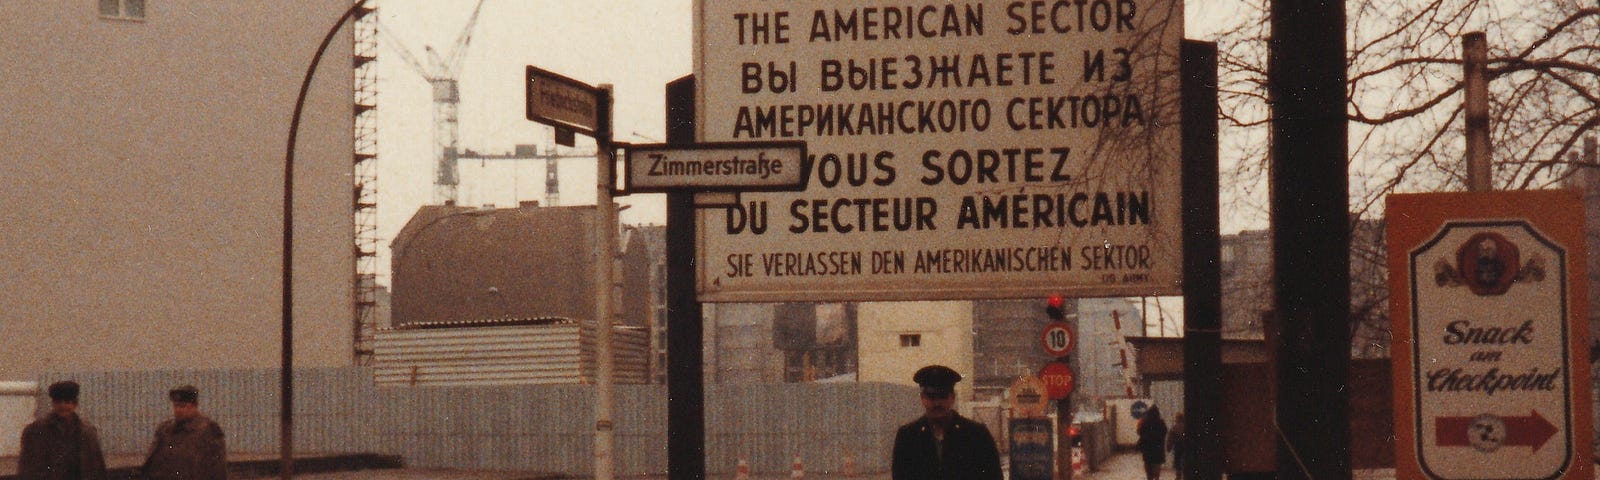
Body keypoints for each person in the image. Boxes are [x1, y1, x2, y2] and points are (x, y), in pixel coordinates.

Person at [891, 365, 1001, 480]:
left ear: (952, 397)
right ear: (922, 398)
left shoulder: (976, 434)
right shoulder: (908, 436)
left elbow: (994, 476)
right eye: (931, 397)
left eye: (943, 396)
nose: (937, 403)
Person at [17, 381, 108, 480]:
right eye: (59, 402)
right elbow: (27, 468)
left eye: (67, 402)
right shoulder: (35, 431)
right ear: (53, 404)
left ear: (75, 404)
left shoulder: (87, 432)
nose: (63, 406)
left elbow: (97, 468)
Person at [142, 385, 227, 480]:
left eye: (183, 406)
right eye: (176, 406)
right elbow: (150, 463)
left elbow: (218, 469)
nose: (178, 410)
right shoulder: (164, 430)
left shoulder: (208, 430)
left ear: (195, 406)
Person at [1136, 405, 1169, 480]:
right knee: (1157, 468)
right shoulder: (1161, 422)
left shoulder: (1145, 422)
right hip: (1158, 449)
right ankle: (1156, 478)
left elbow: (1140, 432)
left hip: (1147, 449)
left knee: (1148, 469)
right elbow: (1164, 432)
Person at [1167, 411, 1187, 480]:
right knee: (1185, 460)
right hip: (1186, 446)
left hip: (1178, 446)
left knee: (1177, 461)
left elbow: (1170, 438)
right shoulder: (1187, 427)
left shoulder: (1174, 427)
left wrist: (1168, 447)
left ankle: (1178, 475)